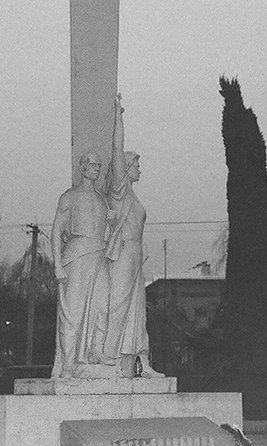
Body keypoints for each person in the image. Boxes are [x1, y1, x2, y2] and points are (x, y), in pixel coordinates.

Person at [104, 93, 163, 377]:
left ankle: (139, 362)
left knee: (138, 312)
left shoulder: (133, 197)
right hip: (124, 253)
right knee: (119, 305)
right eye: (137, 164)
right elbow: (116, 150)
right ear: (126, 169)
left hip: (136, 255)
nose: (141, 169)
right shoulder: (120, 190)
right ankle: (108, 358)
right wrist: (118, 117)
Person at [51, 152, 114, 378]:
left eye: (99, 164)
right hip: (76, 255)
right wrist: (57, 265)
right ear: (82, 167)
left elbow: (108, 232)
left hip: (99, 254)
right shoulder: (69, 196)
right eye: (92, 164)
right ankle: (68, 365)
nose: (96, 168)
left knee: (103, 307)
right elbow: (56, 230)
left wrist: (112, 224)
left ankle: (96, 351)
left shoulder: (102, 200)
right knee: (72, 312)